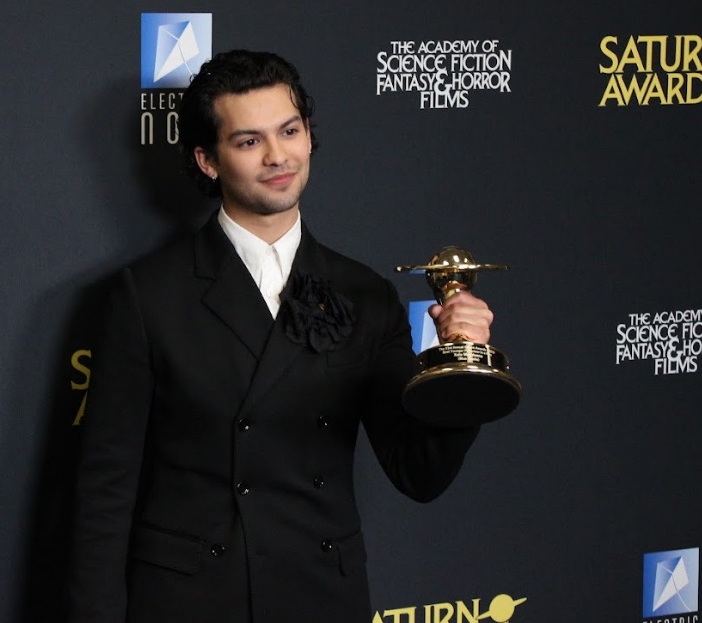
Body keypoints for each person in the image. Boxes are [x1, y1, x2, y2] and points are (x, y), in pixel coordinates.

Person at [68, 49, 493, 623]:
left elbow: (418, 473)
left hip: (320, 596)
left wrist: (463, 363)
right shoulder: (147, 295)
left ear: (309, 135)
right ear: (208, 161)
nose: (277, 156)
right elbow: (105, 491)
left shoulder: (365, 293)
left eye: (289, 131)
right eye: (249, 141)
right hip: (192, 602)